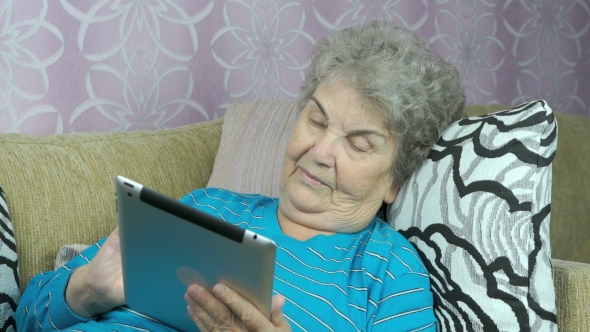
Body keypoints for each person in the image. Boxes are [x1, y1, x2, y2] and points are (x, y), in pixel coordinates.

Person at [16, 20, 465, 331]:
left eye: (358, 143)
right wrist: (86, 292)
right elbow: (26, 315)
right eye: (316, 120)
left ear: (394, 181)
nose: (321, 151)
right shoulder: (206, 206)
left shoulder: (388, 271)